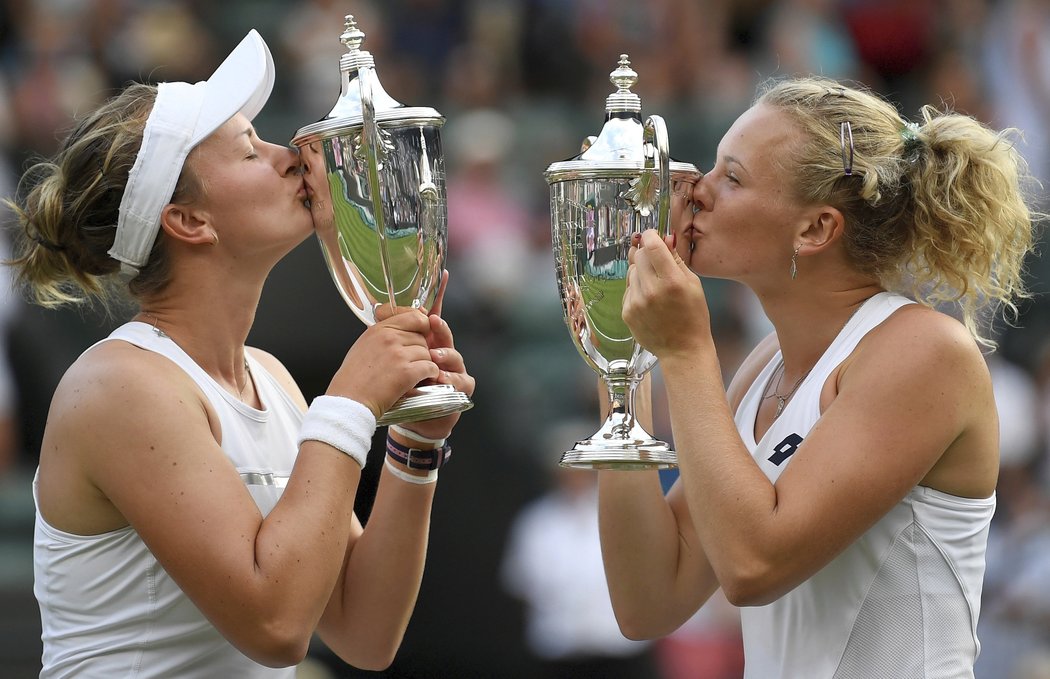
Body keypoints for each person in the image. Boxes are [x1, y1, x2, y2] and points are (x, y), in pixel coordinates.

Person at [4, 29, 473, 677]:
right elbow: (277, 627)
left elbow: (364, 631)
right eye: (252, 149)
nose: (292, 157)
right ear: (189, 220)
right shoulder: (120, 385)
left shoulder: (271, 378)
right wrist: (349, 402)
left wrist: (414, 448)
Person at [597, 76, 1039, 678]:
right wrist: (615, 353)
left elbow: (753, 568)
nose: (695, 192)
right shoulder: (763, 365)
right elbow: (649, 600)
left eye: (732, 177)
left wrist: (683, 348)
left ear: (814, 229)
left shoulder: (925, 351)